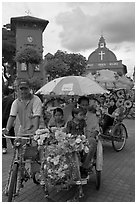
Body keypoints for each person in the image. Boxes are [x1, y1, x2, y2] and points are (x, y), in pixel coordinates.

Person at [77, 96, 99, 178]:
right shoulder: (74, 115)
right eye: (82, 105)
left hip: (88, 138)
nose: (84, 107)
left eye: (86, 105)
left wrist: (92, 135)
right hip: (75, 139)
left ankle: (84, 167)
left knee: (92, 142)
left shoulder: (92, 116)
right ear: (79, 105)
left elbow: (97, 129)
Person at [2, 89, 15, 154]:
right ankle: (14, 144)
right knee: (11, 130)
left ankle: (4, 147)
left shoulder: (1, 100)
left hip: (1, 118)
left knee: (2, 132)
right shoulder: (11, 100)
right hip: (9, 117)